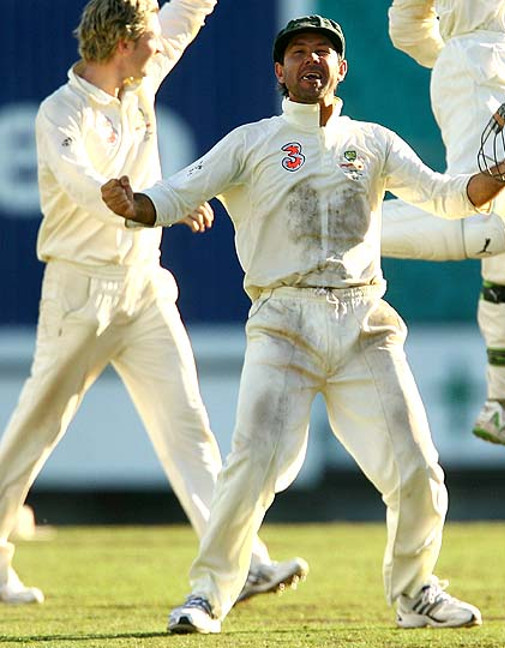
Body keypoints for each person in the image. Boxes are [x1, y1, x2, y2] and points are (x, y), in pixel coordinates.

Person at [101, 14, 505, 634]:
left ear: (340, 69)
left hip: (364, 323)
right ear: (279, 71)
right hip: (283, 320)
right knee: (251, 466)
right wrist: (135, 206)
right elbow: (176, 192)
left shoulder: (373, 142)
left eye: (324, 52)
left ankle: (415, 594)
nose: (311, 61)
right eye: (298, 52)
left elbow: (444, 195)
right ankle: (208, 596)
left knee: (417, 470)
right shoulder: (252, 141)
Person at [0, 0, 307, 606]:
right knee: (36, 430)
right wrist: (144, 203)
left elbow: (187, 12)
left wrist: (152, 204)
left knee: (187, 425)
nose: (157, 50)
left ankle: (240, 563)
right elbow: (82, 182)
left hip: (143, 287)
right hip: (79, 292)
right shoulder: (59, 112)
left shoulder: (141, 76)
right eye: (147, 43)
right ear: (122, 46)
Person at [380, 0, 505, 459]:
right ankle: (338, 227)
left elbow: (408, 28)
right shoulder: (471, 50)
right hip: (482, 69)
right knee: (485, 216)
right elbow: (406, 24)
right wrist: (461, 57)